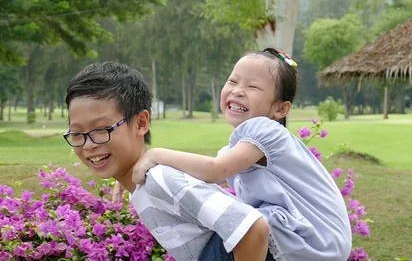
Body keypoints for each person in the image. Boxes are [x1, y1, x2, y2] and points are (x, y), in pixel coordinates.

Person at [132, 48, 353, 261]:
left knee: (234, 232)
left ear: (280, 109)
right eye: (233, 81)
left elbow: (214, 170)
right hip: (317, 242)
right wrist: (141, 165)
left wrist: (155, 155)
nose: (238, 90)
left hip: (310, 238)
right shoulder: (242, 147)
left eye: (253, 87)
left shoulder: (265, 129)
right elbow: (209, 171)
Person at [64, 61, 272, 260]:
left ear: (141, 123)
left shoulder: (160, 180)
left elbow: (253, 228)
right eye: (76, 134)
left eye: (101, 130)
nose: (89, 145)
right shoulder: (144, 182)